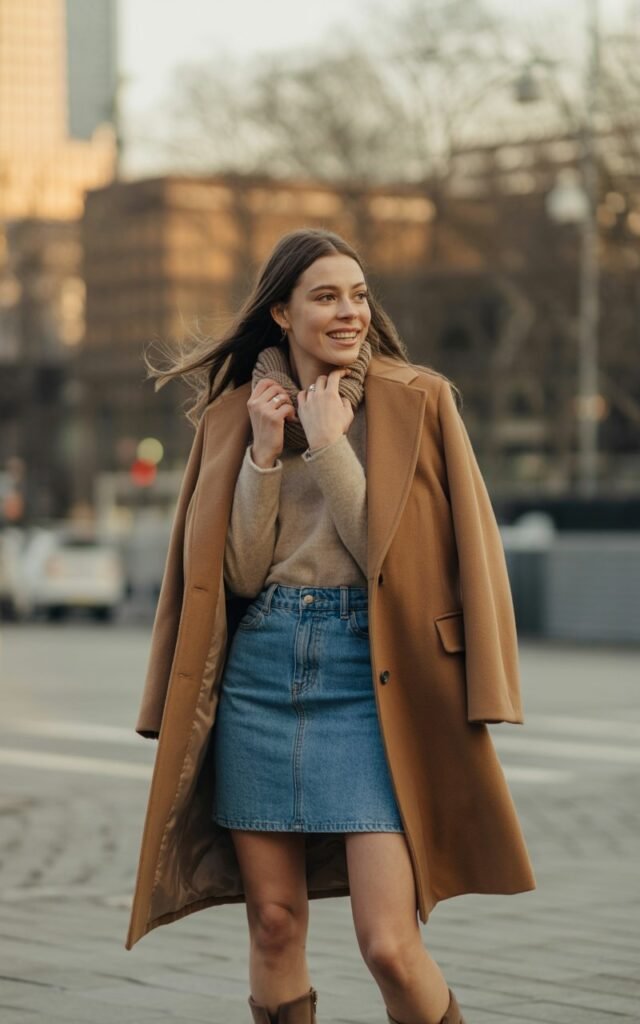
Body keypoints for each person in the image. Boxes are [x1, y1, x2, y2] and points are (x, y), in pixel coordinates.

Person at [125, 227, 536, 1024]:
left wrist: (330, 445)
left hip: (371, 679)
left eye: (358, 295)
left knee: (387, 940)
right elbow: (239, 575)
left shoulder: (417, 399)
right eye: (326, 296)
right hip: (263, 673)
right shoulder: (233, 418)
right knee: (274, 924)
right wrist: (266, 453)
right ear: (281, 311)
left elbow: (390, 558)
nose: (350, 312)